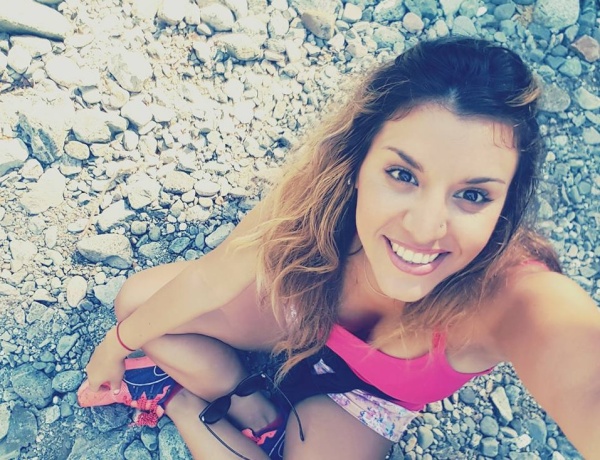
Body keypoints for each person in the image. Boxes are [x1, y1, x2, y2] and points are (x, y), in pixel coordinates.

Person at [77, 37, 600, 460]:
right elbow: (210, 279)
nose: (424, 229)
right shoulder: (319, 199)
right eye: (402, 175)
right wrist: (114, 346)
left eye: (473, 195)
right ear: (358, 162)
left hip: (367, 398)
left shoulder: (508, 295)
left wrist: (170, 391)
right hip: (300, 311)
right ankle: (250, 404)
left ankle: (182, 403)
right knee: (139, 304)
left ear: (506, 206)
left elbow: (579, 362)